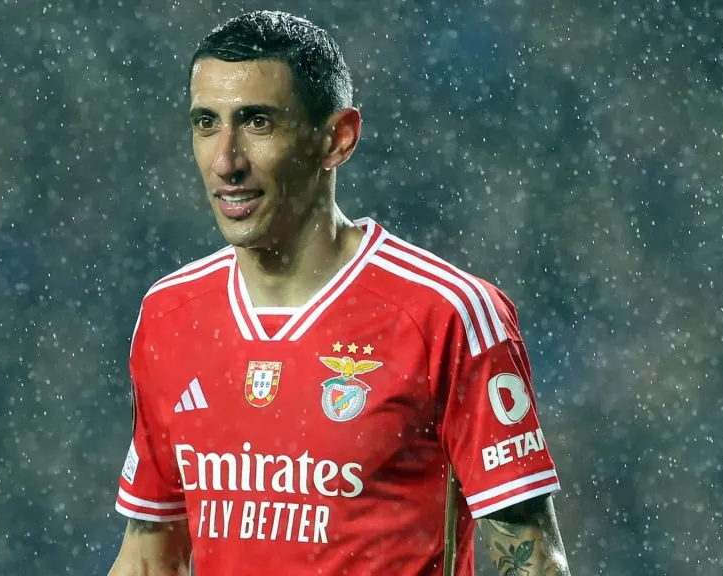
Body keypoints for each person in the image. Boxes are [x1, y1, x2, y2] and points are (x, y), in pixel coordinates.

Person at [108, 10, 570, 576]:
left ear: (337, 138)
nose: (225, 160)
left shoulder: (447, 314)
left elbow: (528, 561)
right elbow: (150, 557)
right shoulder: (170, 315)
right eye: (206, 123)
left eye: (256, 123)